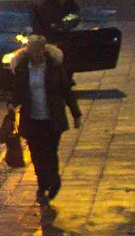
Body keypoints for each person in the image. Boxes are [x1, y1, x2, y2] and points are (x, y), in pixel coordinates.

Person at [9, 34, 82, 203]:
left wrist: (76, 114)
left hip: (52, 119)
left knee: (49, 153)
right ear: (29, 52)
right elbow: (18, 91)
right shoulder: (22, 69)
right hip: (31, 119)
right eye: (34, 51)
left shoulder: (55, 67)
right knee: (36, 155)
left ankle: (54, 182)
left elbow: (67, 91)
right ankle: (42, 186)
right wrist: (12, 103)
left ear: (44, 50)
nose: (38, 55)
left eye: (40, 51)